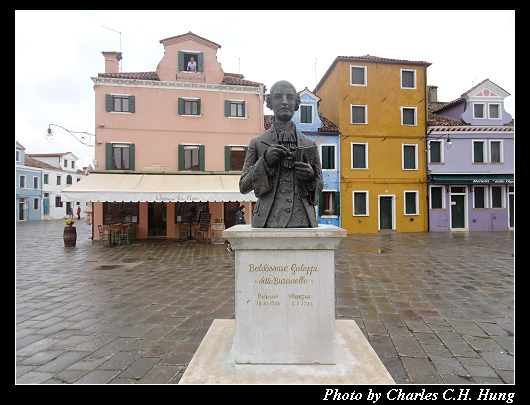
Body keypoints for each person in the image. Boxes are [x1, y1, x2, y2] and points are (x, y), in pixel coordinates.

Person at [239, 80, 323, 228]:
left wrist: (311, 176)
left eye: (289, 97)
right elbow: (243, 186)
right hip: (268, 218)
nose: (284, 102)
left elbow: (320, 184)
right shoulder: (258, 143)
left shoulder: (309, 143)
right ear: (270, 103)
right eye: (278, 97)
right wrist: (264, 162)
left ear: (296, 103)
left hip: (303, 218)